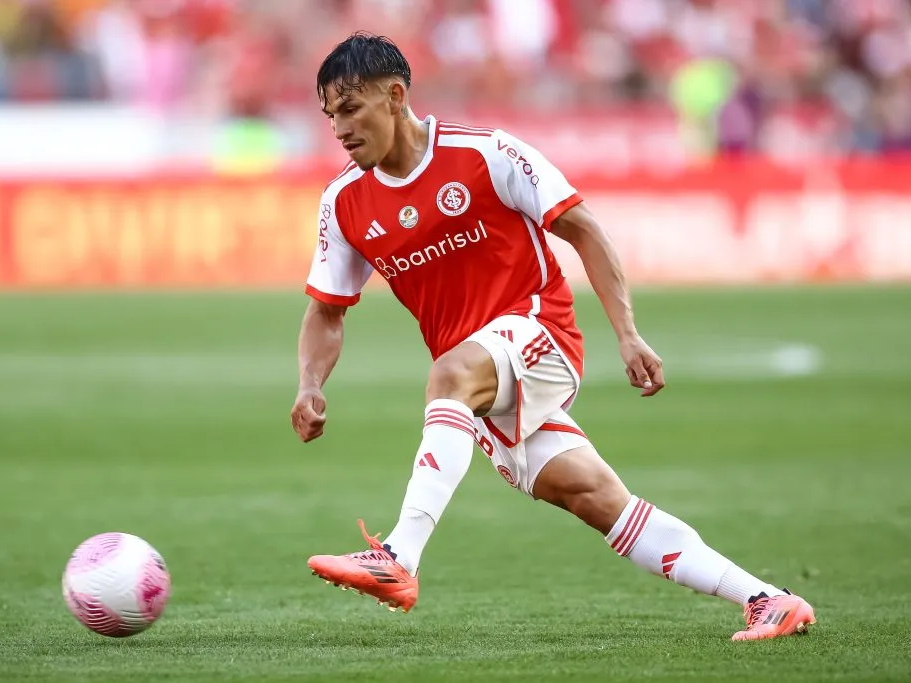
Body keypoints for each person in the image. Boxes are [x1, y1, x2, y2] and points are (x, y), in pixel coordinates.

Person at [291, 32, 815, 642]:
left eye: (351, 108)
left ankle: (399, 556)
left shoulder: (487, 154)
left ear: (395, 95)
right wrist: (309, 383)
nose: (340, 128)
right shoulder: (344, 202)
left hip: (539, 333)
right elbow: (327, 311)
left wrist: (628, 334)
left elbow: (584, 229)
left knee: (450, 373)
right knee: (597, 498)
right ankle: (767, 600)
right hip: (481, 390)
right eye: (331, 116)